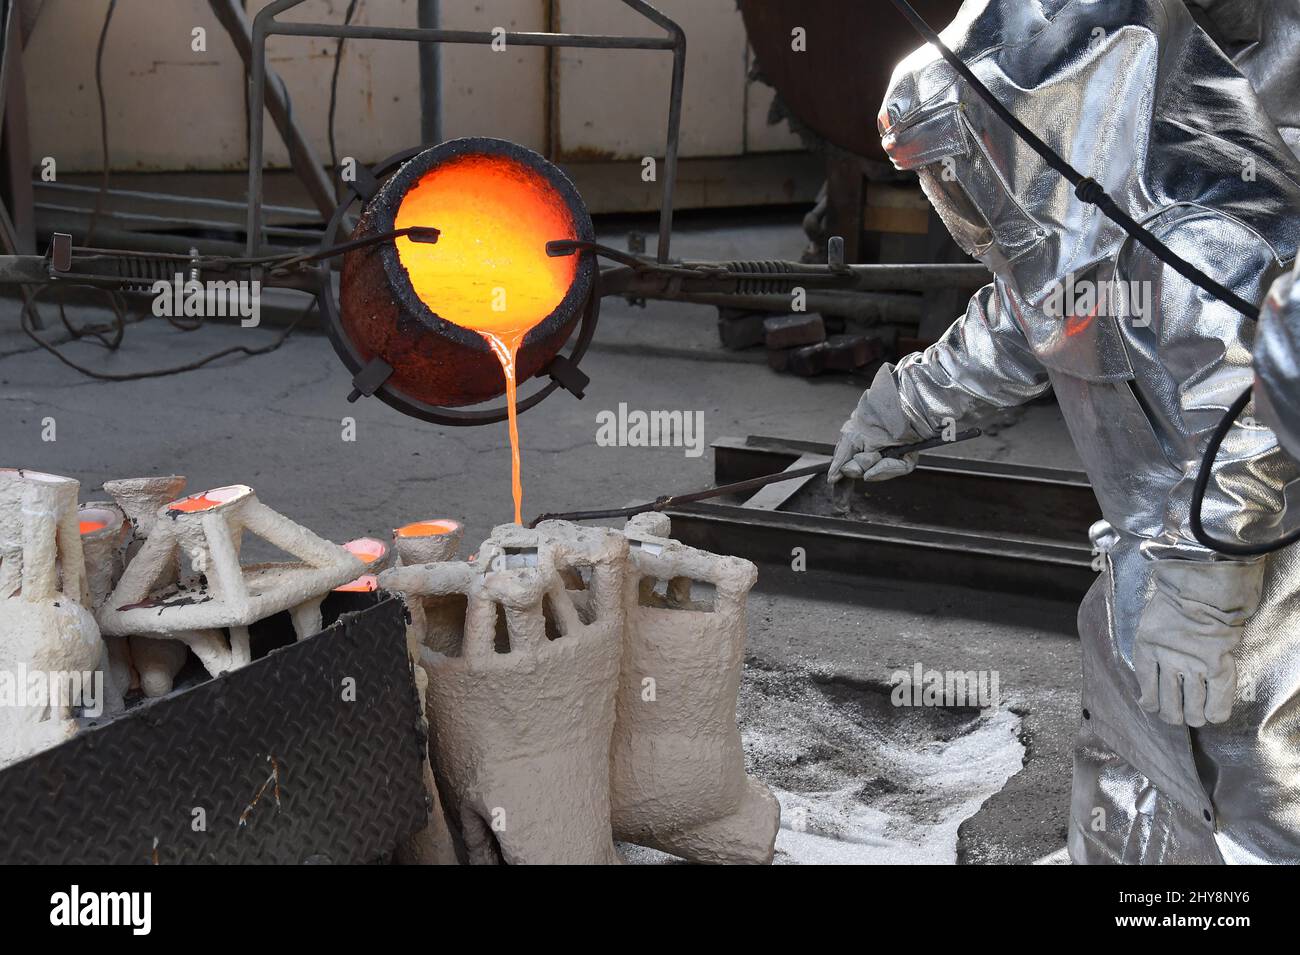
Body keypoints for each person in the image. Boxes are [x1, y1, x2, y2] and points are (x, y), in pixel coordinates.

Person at [831, 0, 1300, 863]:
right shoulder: (1073, 238)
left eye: (958, 160)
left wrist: (1206, 588)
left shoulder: (1199, 240)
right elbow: (1013, 326)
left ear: (1038, 122)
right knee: (1137, 761)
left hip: (1259, 579)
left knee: (1262, 780)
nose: (954, 190)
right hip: (1154, 559)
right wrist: (903, 407)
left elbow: (1254, 417)